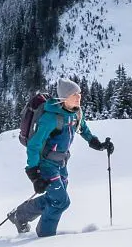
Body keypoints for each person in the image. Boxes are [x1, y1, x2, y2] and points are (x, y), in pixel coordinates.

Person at [7, 78, 113, 237]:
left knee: (54, 198)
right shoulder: (50, 118)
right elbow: (34, 145)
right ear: (63, 98)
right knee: (61, 201)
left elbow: (83, 129)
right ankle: (45, 237)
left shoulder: (76, 112)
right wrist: (34, 175)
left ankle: (20, 216)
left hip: (62, 163)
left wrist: (98, 144)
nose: (79, 97)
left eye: (79, 93)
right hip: (46, 165)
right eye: (74, 94)